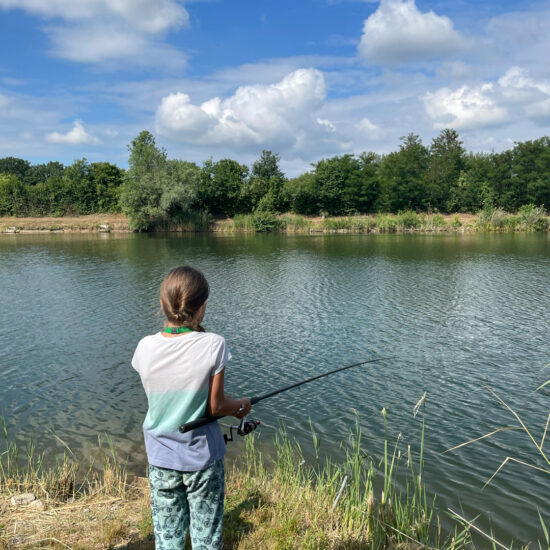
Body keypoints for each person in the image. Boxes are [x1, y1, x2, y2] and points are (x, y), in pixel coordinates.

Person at [131, 265, 251, 550]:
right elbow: (217, 405)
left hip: (160, 457)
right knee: (206, 537)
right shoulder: (214, 345)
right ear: (203, 306)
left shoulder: (144, 348)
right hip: (202, 459)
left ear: (162, 304)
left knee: (168, 537)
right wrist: (241, 406)